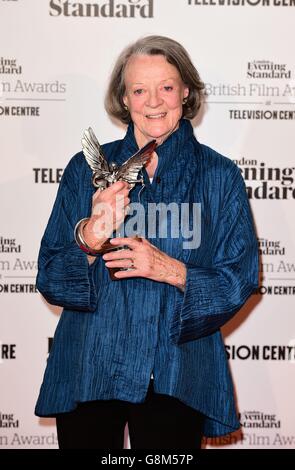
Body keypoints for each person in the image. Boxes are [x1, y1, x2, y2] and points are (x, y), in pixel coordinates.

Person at [35, 35, 259, 449]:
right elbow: (49, 275)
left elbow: (239, 278)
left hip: (175, 371)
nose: (154, 101)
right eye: (139, 89)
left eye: (167, 87)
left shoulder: (218, 175)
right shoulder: (86, 169)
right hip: (91, 367)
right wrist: (90, 236)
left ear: (186, 91)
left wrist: (172, 271)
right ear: (124, 98)